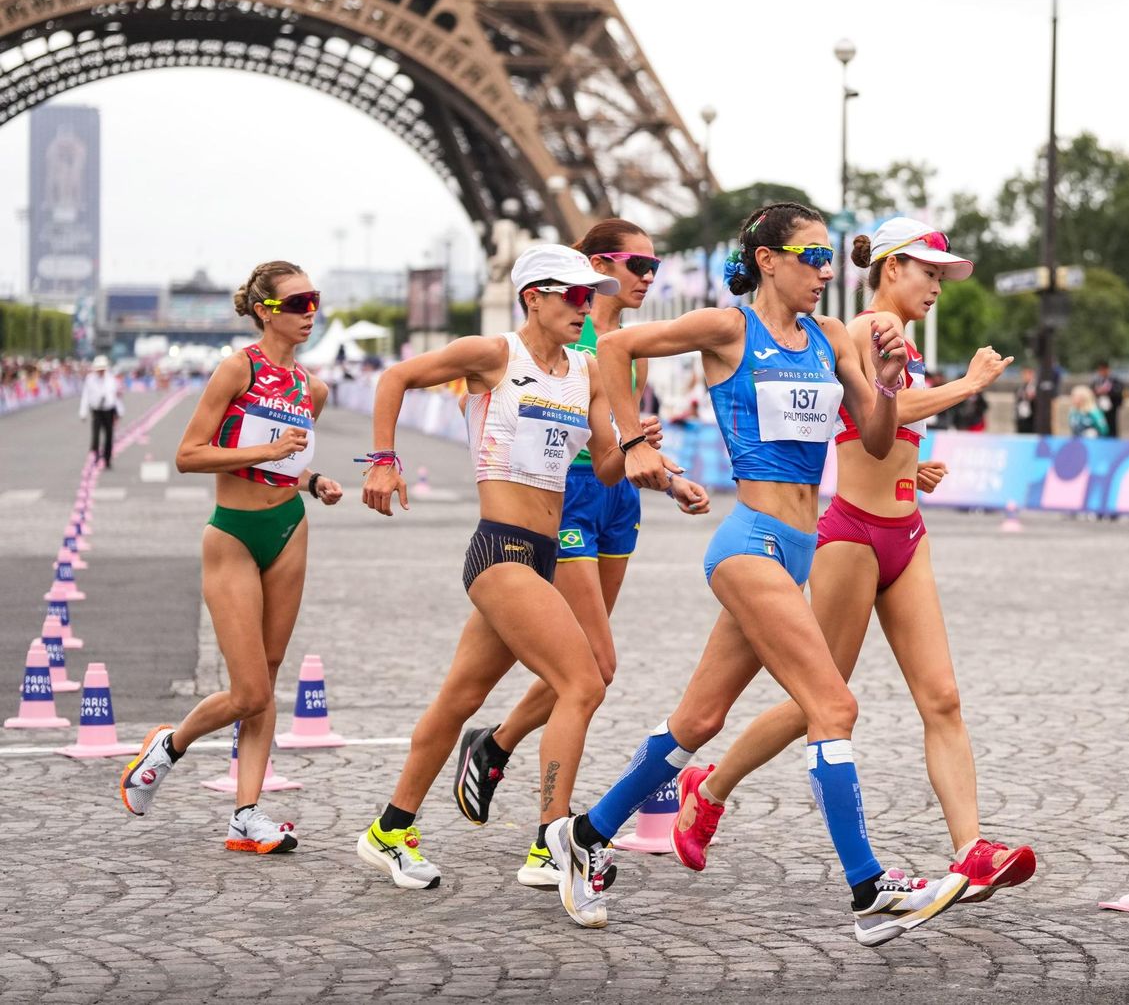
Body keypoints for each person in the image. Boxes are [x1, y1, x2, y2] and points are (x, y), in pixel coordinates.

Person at [547, 202, 970, 947]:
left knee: (700, 721)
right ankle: (869, 887)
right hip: (749, 544)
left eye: (831, 260)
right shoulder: (726, 328)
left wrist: (893, 383)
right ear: (768, 259)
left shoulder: (831, 335)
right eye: (811, 258)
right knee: (833, 707)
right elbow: (612, 351)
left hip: (800, 547)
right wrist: (630, 441)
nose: (825, 273)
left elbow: (873, 439)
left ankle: (585, 833)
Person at [672, 218, 1034, 902]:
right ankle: (709, 786)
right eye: (928, 273)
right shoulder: (860, 330)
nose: (936, 287)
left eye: (942, 276)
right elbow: (877, 418)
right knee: (822, 697)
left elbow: (882, 432)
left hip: (908, 533)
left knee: (943, 697)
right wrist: (969, 384)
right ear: (891, 268)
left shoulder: (904, 343)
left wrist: (913, 468)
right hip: (851, 537)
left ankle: (972, 849)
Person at [354, 244, 630, 930]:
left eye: (589, 296)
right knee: (584, 681)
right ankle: (558, 841)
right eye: (570, 295)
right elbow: (395, 379)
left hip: (542, 552)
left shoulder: (586, 372)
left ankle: (389, 829)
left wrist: (651, 460)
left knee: (461, 698)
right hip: (499, 550)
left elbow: (605, 465)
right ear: (532, 296)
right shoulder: (493, 354)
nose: (584, 307)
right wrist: (385, 462)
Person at [449, 221, 711, 889]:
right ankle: (549, 835)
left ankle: (497, 744)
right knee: (594, 667)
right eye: (635, 263)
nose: (648, 275)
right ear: (591, 268)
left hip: (616, 501)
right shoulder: (571, 333)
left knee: (590, 667)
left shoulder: (630, 347)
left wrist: (672, 478)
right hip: (561, 505)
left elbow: (624, 442)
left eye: (656, 263)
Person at [120, 261, 342, 855]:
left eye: (315, 300)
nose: (310, 312)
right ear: (266, 310)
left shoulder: (312, 389)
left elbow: (278, 467)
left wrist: (312, 479)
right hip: (234, 535)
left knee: (267, 682)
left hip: (288, 529)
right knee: (247, 692)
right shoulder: (236, 369)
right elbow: (188, 455)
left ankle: (247, 815)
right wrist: (272, 447)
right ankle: (169, 746)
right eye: (298, 302)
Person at [79, 355, 123, 469]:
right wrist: (83, 412)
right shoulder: (90, 379)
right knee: (95, 436)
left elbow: (116, 396)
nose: (101, 371)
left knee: (109, 436)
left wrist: (120, 411)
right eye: (99, 369)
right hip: (96, 410)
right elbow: (85, 396)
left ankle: (107, 459)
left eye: (102, 369)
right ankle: (95, 455)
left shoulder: (111, 379)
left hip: (109, 410)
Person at [1091, 360, 1125, 437]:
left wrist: (1108, 391)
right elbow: (1092, 390)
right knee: (1101, 423)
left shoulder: (1115, 379)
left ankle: (1113, 437)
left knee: (1112, 423)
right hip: (1100, 404)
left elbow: (1120, 390)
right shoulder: (1097, 380)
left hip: (1112, 405)